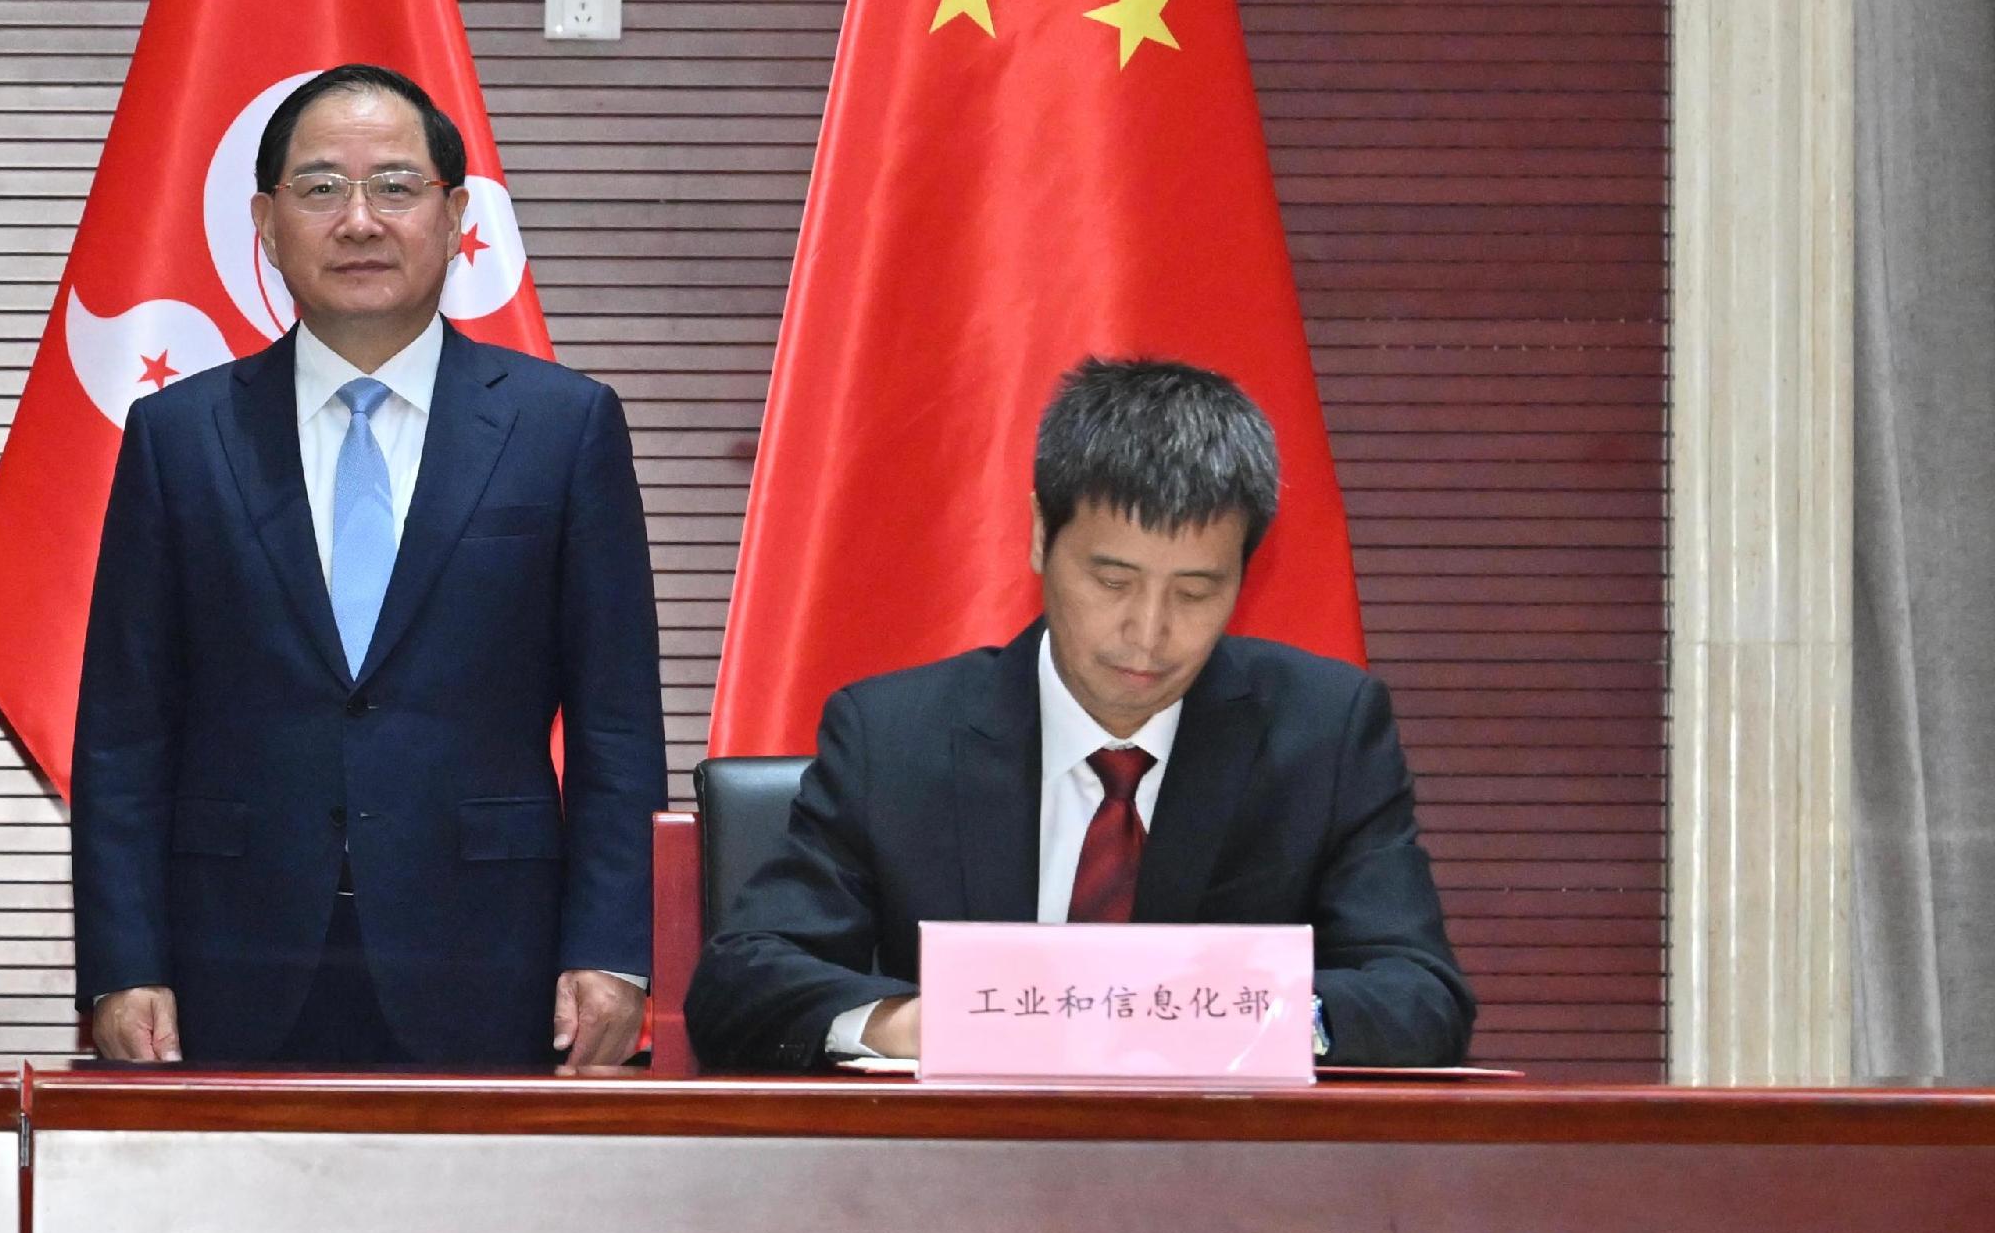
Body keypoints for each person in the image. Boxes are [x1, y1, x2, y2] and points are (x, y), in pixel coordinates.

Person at [72, 63, 668, 1072]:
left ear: (454, 213)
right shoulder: (179, 436)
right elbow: (125, 731)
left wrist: (611, 950)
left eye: (395, 186)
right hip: (232, 955)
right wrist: (122, 964)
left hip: (493, 954)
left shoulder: (562, 427)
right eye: (319, 188)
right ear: (264, 220)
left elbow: (615, 721)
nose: (359, 220)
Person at [685, 355, 1475, 1073]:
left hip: (1229, 1195)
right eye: (1112, 582)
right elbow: (742, 983)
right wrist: (919, 1024)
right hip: (955, 1190)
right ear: (1038, 536)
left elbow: (1420, 995)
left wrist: (1250, 1019)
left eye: (1197, 592)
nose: (1149, 632)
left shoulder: (1326, 732)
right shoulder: (892, 737)